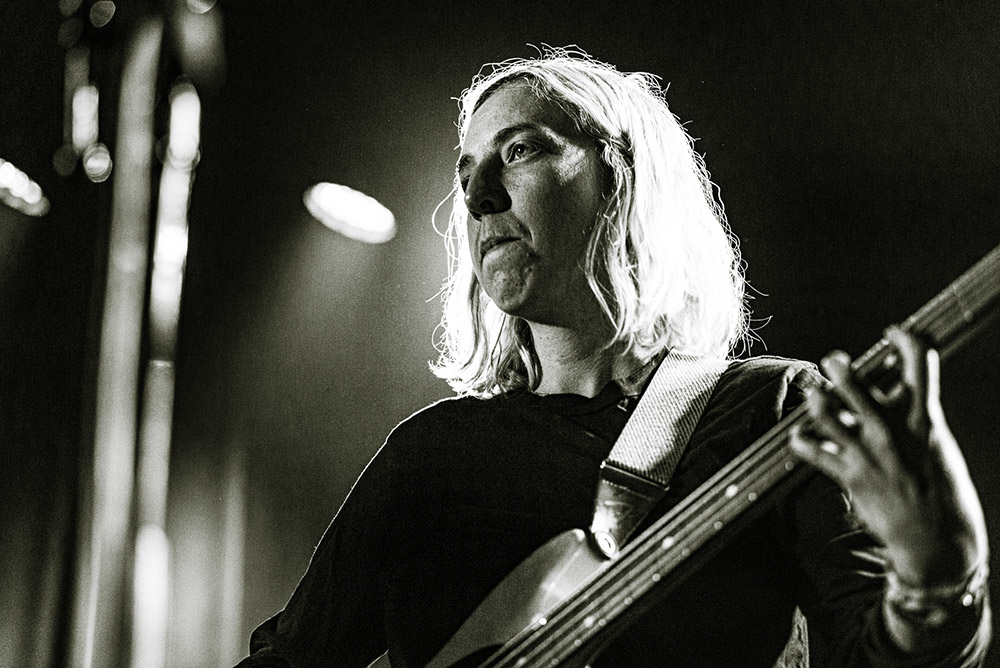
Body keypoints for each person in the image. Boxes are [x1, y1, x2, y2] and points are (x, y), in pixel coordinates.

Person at [236, 49, 990, 667]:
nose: (478, 198)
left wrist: (937, 581)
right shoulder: (430, 455)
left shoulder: (774, 411)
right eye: (465, 175)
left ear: (624, 180)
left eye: (520, 149)